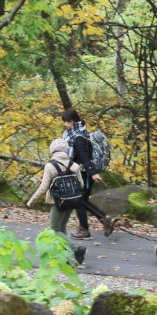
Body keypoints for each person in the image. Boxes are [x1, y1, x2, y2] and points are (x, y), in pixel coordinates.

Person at [26, 138, 87, 265]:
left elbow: (43, 187)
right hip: (73, 201)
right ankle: (67, 258)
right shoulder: (74, 165)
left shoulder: (50, 166)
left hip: (58, 203)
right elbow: (81, 184)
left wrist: (31, 201)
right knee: (62, 229)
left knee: (54, 230)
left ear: (52, 150)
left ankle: (77, 249)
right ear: (65, 150)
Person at [61, 108, 115, 240]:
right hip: (85, 172)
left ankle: (86, 229)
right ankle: (103, 221)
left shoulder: (78, 137)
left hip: (84, 173)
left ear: (72, 122)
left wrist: (93, 173)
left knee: (78, 200)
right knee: (82, 201)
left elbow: (84, 157)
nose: (64, 125)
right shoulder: (82, 132)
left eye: (66, 122)